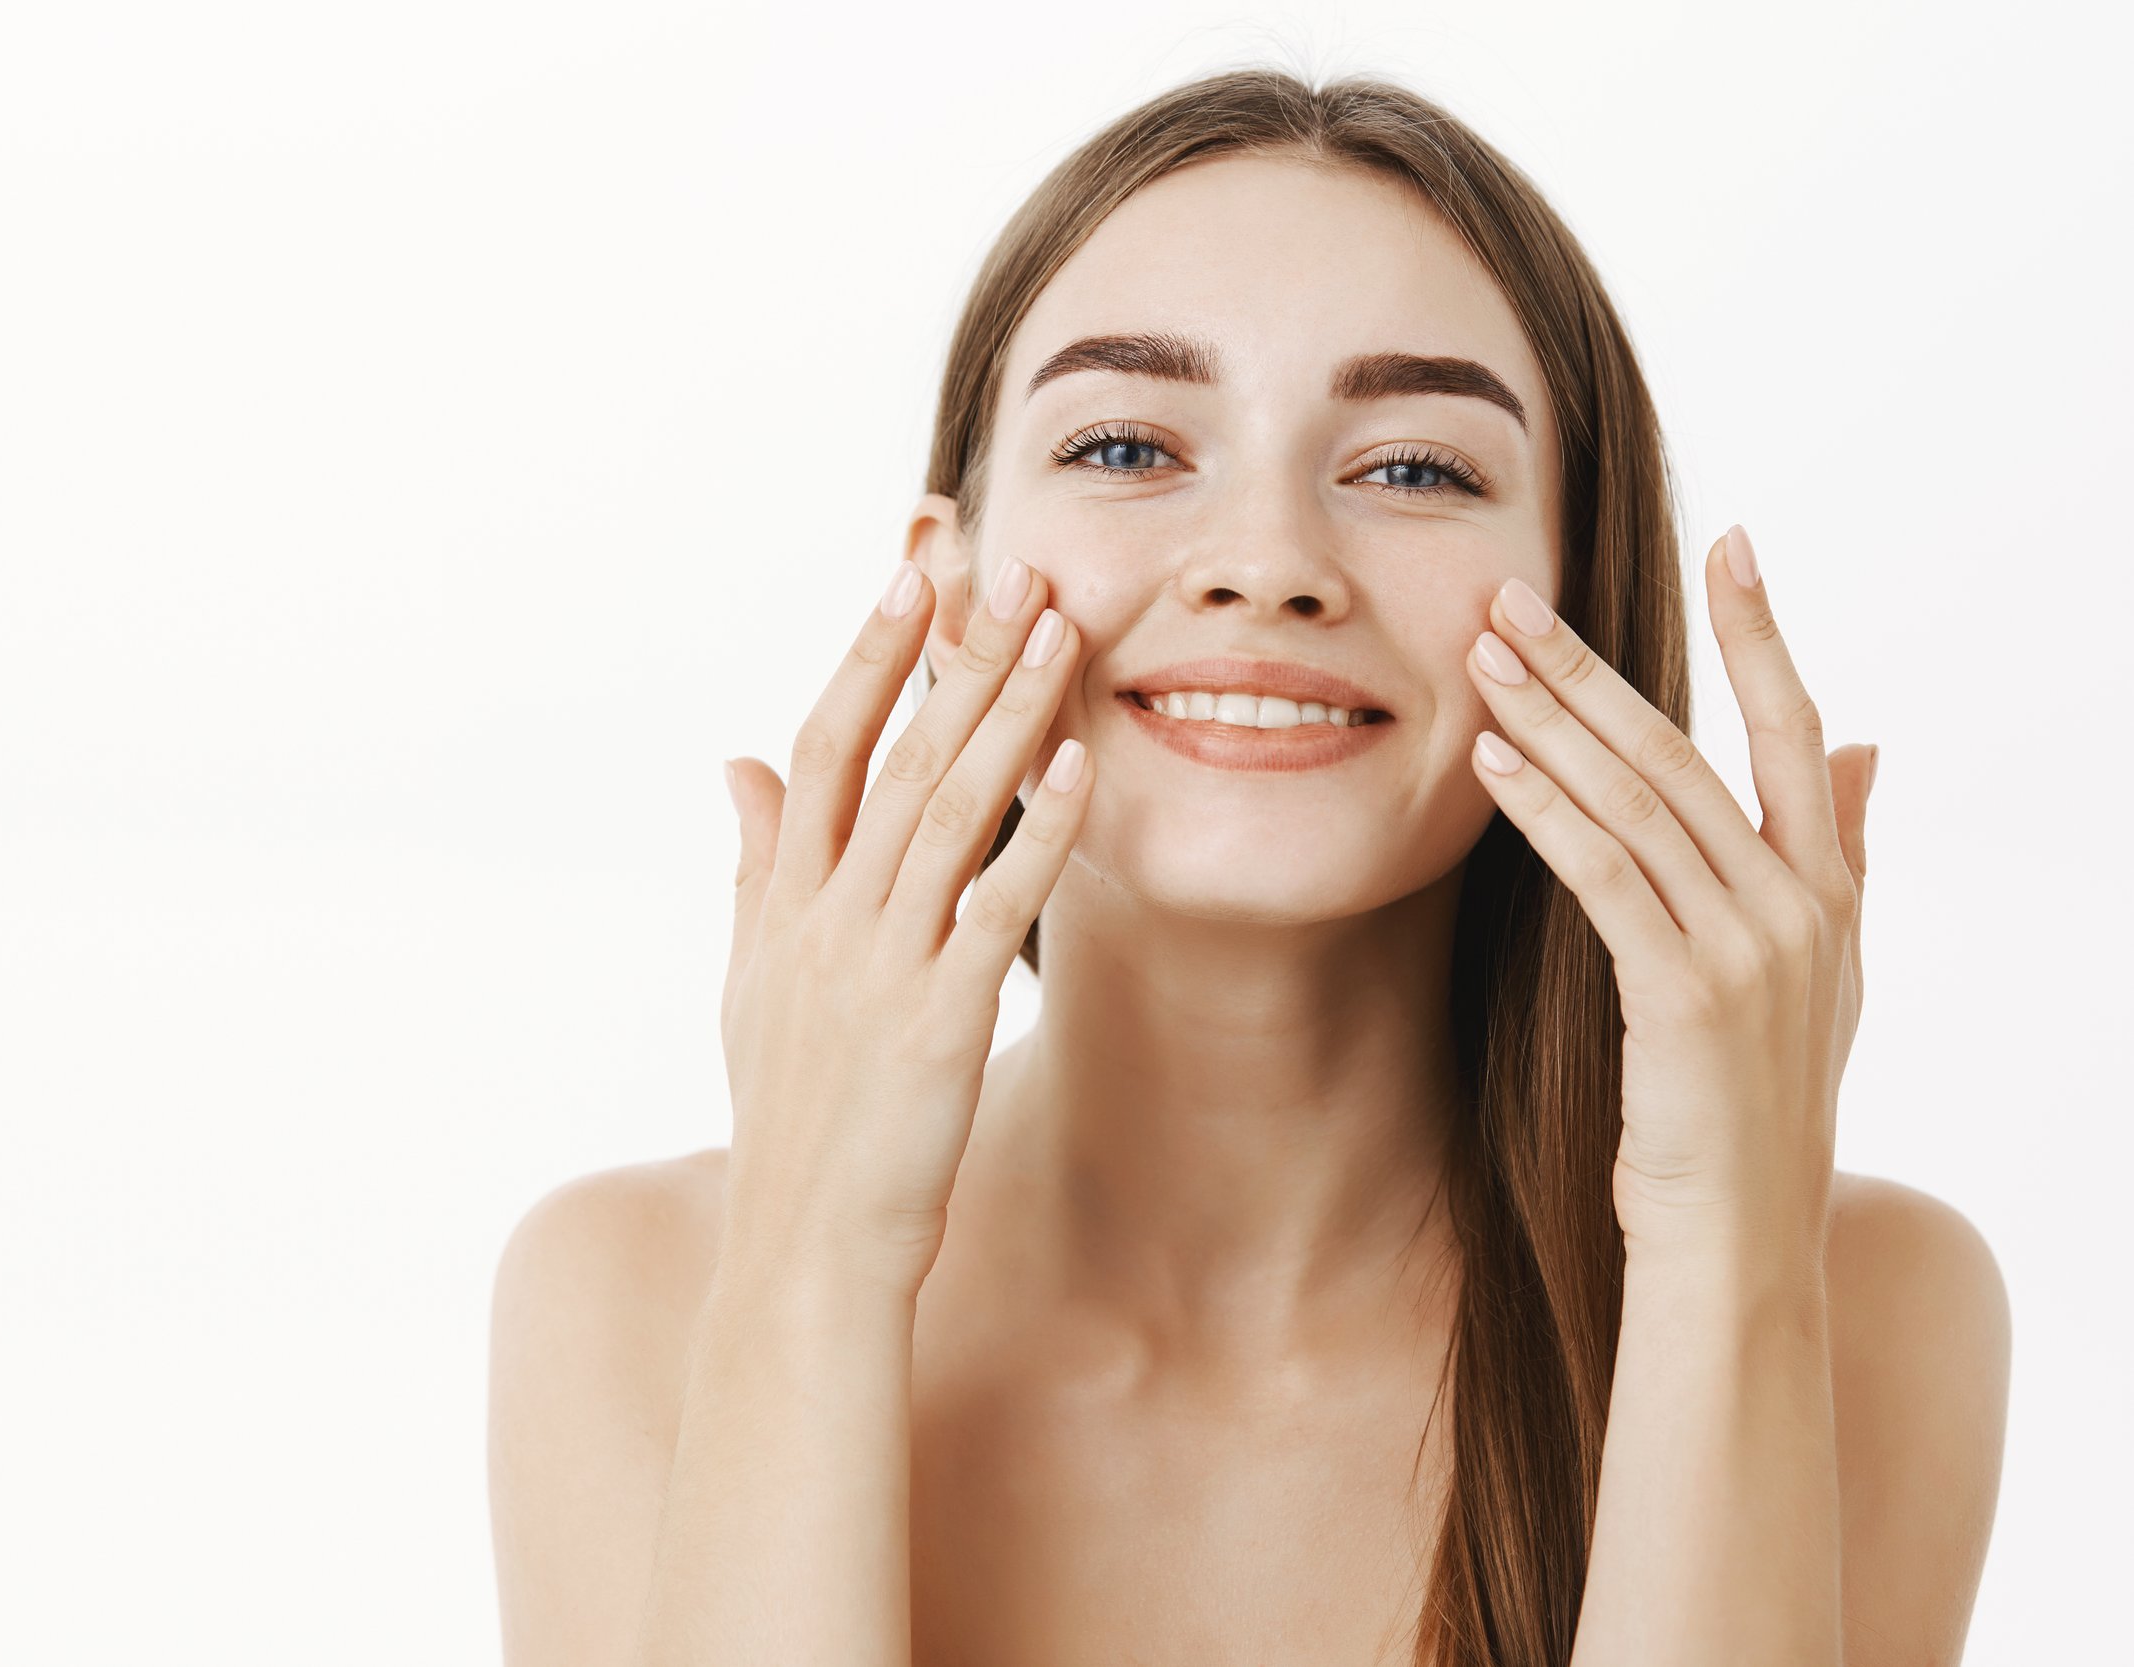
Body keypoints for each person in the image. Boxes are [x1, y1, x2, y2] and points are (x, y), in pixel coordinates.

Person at [487, 66, 2010, 1666]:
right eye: (1132, 444)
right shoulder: (631, 1295)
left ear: (1583, 597)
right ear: (942, 597)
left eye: (1416, 469)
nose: (1269, 564)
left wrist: (1719, 1248)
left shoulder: (1871, 1303)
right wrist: (813, 1262)